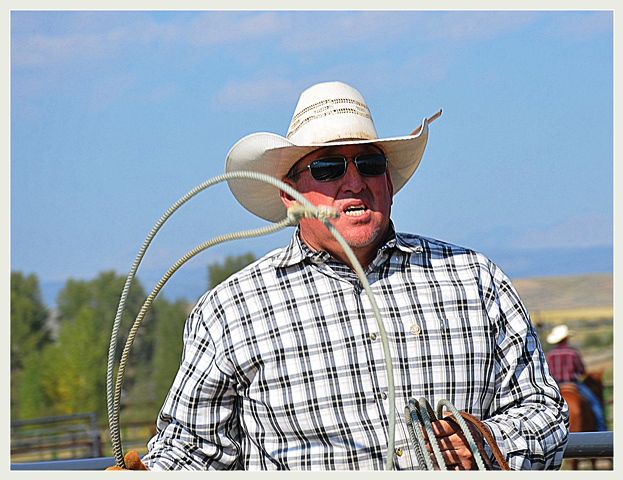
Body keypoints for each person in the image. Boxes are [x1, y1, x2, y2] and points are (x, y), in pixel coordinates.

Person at [126, 81, 567, 470]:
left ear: (389, 183)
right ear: (290, 195)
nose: (354, 181)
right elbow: (192, 449)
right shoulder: (231, 311)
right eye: (328, 168)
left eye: (370, 164)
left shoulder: (474, 279)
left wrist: (490, 443)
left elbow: (545, 409)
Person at [545, 324, 607, 431]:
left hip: (557, 387)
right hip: (573, 385)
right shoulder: (573, 353)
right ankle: (602, 431)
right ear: (566, 338)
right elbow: (581, 371)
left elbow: (548, 372)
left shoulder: (550, 355)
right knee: (595, 404)